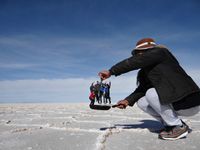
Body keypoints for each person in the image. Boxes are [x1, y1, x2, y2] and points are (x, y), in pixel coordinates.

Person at [98, 38, 200, 140]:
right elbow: (143, 88)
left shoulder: (161, 53)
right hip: (175, 102)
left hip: (188, 100)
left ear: (147, 50)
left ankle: (178, 127)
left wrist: (111, 71)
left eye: (138, 53)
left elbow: (135, 62)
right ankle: (170, 124)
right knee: (142, 101)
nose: (137, 56)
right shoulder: (147, 72)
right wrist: (127, 101)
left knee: (151, 93)